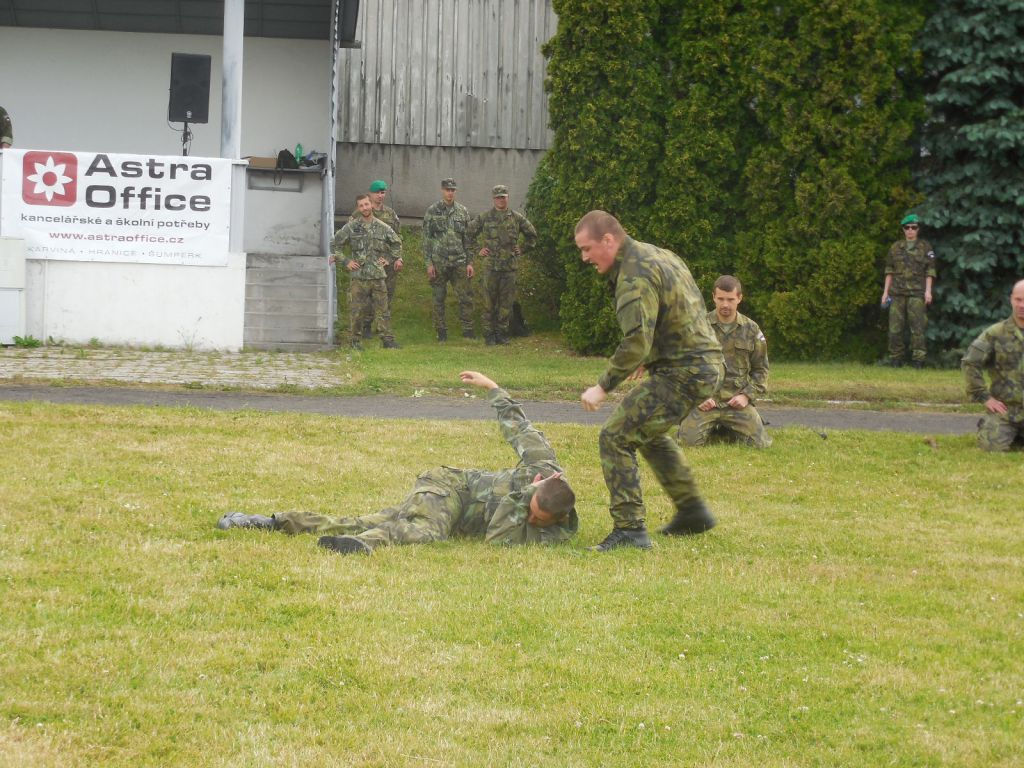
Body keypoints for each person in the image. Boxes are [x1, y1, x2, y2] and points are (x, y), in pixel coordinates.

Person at [217, 371, 578, 554]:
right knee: (426, 534)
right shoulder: (541, 466)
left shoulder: (555, 532)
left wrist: (521, 499)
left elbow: (498, 539)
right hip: (449, 489)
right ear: (542, 484)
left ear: (558, 519)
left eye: (536, 519)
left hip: (446, 508)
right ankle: (362, 544)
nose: (531, 519)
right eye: (532, 509)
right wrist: (492, 387)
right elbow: (518, 426)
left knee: (363, 520)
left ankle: (265, 521)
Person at [576, 211, 724, 552]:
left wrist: (602, 386)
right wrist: (653, 352)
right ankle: (693, 511)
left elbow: (635, 341)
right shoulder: (657, 254)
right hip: (704, 363)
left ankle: (630, 530)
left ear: (608, 240)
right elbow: (681, 308)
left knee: (615, 435)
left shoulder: (633, 275)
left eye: (586, 249)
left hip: (683, 371)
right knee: (646, 431)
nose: (584, 258)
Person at [678, 275, 772, 448]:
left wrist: (746, 396)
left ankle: (729, 426)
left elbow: (761, 370)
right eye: (720, 299)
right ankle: (708, 425)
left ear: (739, 298)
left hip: (736, 402)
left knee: (759, 444)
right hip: (706, 401)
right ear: (713, 297)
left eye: (730, 299)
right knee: (688, 442)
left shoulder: (751, 329)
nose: (725, 305)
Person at [466, 185, 537, 345]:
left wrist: (523, 248)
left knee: (506, 304)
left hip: (509, 268)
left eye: (503, 197)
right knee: (488, 304)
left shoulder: (516, 218)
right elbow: (468, 234)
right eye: (498, 197)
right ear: (494, 199)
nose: (501, 200)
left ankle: (502, 334)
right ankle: (489, 336)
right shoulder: (485, 217)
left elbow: (532, 235)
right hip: (491, 267)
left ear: (507, 198)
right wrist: (478, 249)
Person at [329, 194, 402, 350]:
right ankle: (355, 341)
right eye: (361, 205)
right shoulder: (351, 227)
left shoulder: (383, 227)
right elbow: (335, 244)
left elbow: (397, 244)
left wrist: (388, 258)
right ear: (358, 208)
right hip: (359, 277)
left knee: (383, 310)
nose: (365, 208)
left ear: (371, 205)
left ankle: (387, 340)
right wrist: (346, 261)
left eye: (366, 204)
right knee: (356, 311)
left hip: (377, 276)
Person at [961, 279, 1024, 452]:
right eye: (1018, 300)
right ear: (1011, 299)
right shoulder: (995, 333)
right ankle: (993, 428)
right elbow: (970, 362)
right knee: (991, 447)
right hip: (1007, 411)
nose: (1022, 305)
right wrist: (983, 396)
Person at [423, 178, 475, 341]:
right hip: (439, 262)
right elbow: (427, 239)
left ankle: (468, 331)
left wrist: (470, 262)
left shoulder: (463, 211)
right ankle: (441, 332)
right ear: (442, 190)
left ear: (455, 191)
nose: (450, 193)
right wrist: (429, 263)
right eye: (447, 190)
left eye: (452, 190)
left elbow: (468, 239)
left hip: (459, 262)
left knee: (465, 297)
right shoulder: (432, 211)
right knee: (438, 298)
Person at [881, 213, 936, 368]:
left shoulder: (925, 247)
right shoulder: (895, 247)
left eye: (914, 227)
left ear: (918, 229)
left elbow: (930, 271)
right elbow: (889, 271)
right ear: (903, 230)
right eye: (907, 227)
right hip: (897, 293)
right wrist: (885, 293)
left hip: (917, 293)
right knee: (894, 328)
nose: (910, 230)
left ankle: (918, 360)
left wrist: (928, 291)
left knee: (918, 328)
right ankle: (896, 358)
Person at [351, 180, 402, 339]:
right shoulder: (360, 213)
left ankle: (383, 329)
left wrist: (398, 258)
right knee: (367, 296)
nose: (380, 195)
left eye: (383, 192)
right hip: (368, 263)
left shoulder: (390, 214)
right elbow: (351, 236)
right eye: (377, 193)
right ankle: (366, 325)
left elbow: (398, 237)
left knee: (386, 295)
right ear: (370, 194)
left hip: (387, 262)